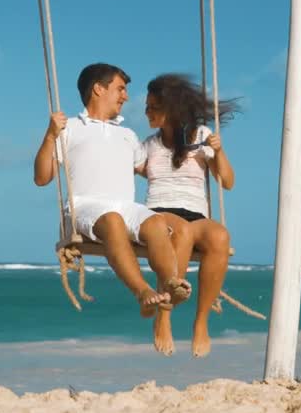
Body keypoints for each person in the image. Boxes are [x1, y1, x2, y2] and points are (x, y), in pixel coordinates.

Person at [33, 63, 191, 335]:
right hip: (85, 206)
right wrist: (50, 136)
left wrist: (192, 151)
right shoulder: (68, 127)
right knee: (113, 221)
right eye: (120, 89)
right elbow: (42, 177)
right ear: (98, 89)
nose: (126, 96)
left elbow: (153, 170)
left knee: (156, 224)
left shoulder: (128, 135)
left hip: (126, 207)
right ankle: (142, 291)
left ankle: (169, 287)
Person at [140, 73, 239, 358]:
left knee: (219, 235)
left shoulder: (201, 136)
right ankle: (165, 317)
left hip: (195, 216)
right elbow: (125, 167)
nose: (146, 112)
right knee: (179, 229)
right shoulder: (148, 145)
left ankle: (201, 324)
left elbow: (228, 182)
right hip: (160, 214)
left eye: (151, 107)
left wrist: (218, 153)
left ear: (169, 109)